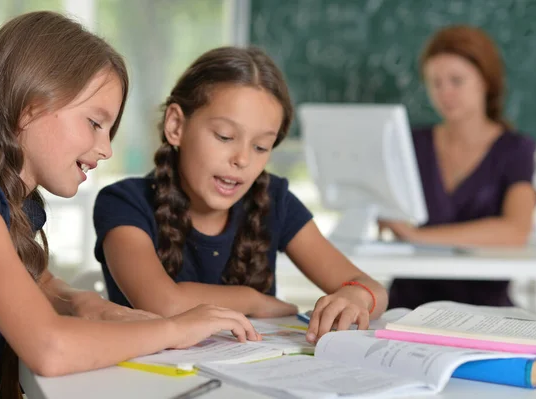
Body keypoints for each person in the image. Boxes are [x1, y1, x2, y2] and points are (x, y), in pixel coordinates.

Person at [0, 12, 260, 399]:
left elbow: (37, 284)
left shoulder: (13, 203)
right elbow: (50, 348)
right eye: (94, 123)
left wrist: (90, 305)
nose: (106, 149)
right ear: (29, 107)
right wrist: (177, 330)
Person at [93, 46, 388, 345]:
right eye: (224, 136)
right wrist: (252, 300)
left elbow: (373, 289)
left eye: (261, 147)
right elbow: (161, 303)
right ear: (176, 125)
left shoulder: (275, 200)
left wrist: (355, 295)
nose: (243, 159)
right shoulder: (123, 203)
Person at [380, 25, 536, 309]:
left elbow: (515, 230)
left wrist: (418, 236)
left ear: (485, 82)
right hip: (407, 307)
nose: (445, 93)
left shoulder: (516, 149)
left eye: (456, 80)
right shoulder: (411, 143)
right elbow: (388, 214)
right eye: (435, 83)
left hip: (484, 311)